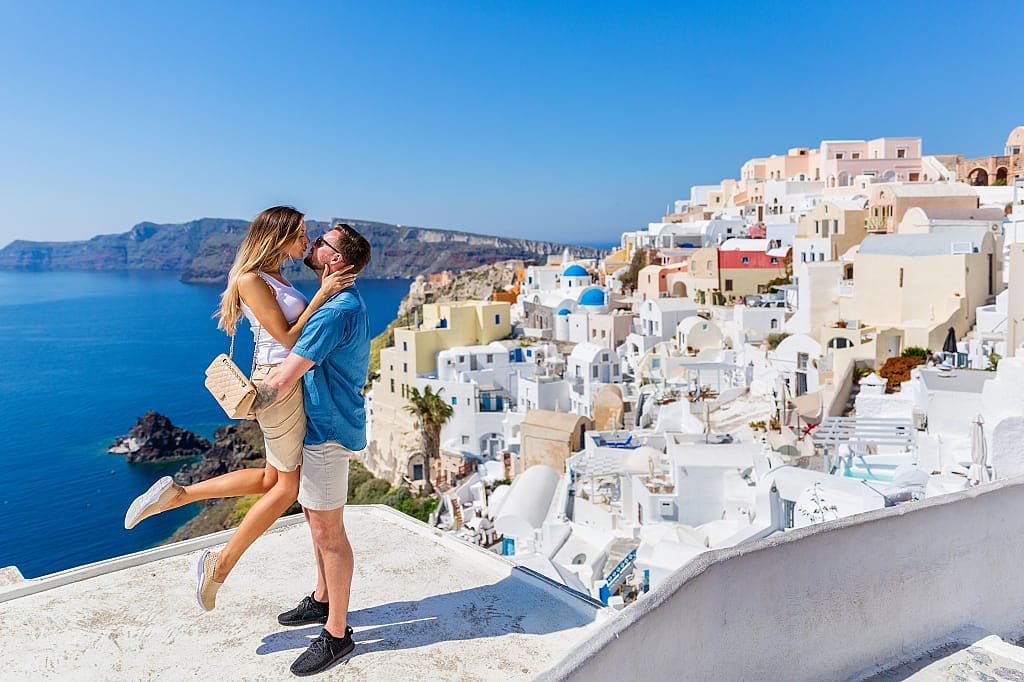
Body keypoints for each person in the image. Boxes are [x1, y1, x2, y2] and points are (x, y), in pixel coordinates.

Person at [123, 206, 356, 611]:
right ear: (278, 235)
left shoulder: (275, 275)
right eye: (300, 234)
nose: (306, 241)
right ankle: (219, 565)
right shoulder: (250, 279)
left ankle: (178, 495)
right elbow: (285, 337)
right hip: (277, 382)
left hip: (286, 380)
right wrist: (323, 294)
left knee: (271, 478)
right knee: (287, 489)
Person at [254, 223, 371, 677]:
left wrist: (243, 401)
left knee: (329, 534)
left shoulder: (335, 311)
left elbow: (285, 375)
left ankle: (338, 635)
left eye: (322, 242)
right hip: (319, 425)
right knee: (312, 518)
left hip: (327, 430)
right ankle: (323, 600)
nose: (313, 244)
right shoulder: (343, 301)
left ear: (336, 260)